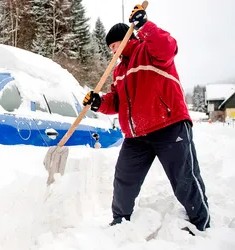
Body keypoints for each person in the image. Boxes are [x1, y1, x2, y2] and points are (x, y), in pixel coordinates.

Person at [82, 4, 210, 232]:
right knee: (124, 178)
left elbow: (168, 47)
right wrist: (100, 102)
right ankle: (120, 222)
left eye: (115, 45)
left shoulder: (149, 50)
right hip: (136, 135)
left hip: (168, 124)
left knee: (184, 178)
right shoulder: (119, 70)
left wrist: (145, 26)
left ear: (126, 39)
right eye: (110, 47)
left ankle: (201, 224)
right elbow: (117, 101)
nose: (113, 51)